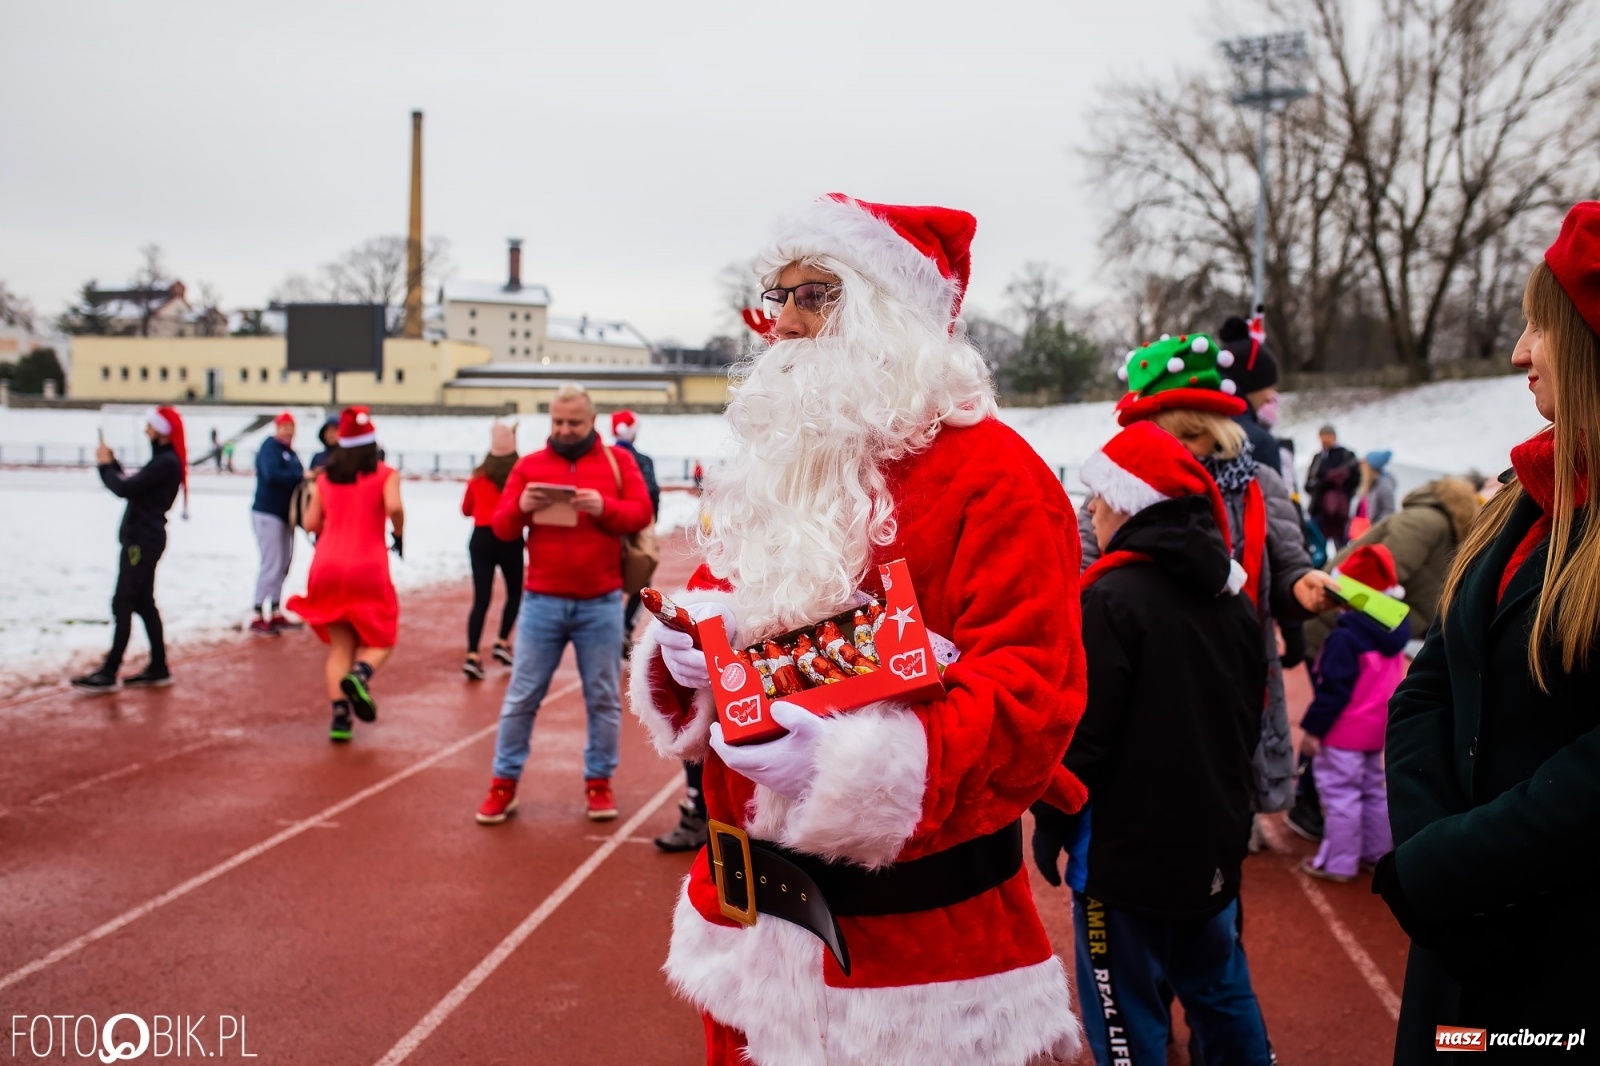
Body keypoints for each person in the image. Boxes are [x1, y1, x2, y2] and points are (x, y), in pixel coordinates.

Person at [630, 194, 1088, 1066]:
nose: (785, 325)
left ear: (889, 313)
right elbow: (715, 591)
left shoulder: (1000, 480)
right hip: (748, 922)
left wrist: (858, 772)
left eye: (816, 296)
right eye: (779, 296)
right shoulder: (787, 461)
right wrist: (690, 645)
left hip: (917, 962)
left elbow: (1035, 697)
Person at [1378, 201, 1600, 1060]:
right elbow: (1432, 678)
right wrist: (1431, 855)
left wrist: (1450, 869)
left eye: (1540, 328)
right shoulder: (1525, 492)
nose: (1518, 354)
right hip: (1460, 947)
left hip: (1562, 964)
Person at [1034, 421, 1271, 1066]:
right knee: (1221, 991)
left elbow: (1084, 736)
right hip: (1212, 843)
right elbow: (1251, 714)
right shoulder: (1233, 598)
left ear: (1130, 502)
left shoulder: (1110, 599)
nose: (1090, 508)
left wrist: (1052, 819)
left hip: (1124, 855)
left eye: (1099, 495)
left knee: (1125, 1015)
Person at [1085, 334, 1337, 827]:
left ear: (1216, 431)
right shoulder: (1119, 485)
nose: (1177, 452)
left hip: (1233, 673)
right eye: (1162, 438)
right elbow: (1083, 570)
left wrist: (1302, 588)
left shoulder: (1259, 483)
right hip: (1144, 676)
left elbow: (1287, 565)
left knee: (1221, 807)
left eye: (1190, 438)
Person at [475, 384, 652, 824]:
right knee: (522, 696)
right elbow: (500, 528)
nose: (565, 429)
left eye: (573, 422)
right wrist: (519, 505)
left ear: (592, 421)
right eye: (557, 422)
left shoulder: (618, 461)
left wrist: (602, 506)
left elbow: (641, 513)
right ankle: (503, 783)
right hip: (542, 602)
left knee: (603, 697)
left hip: (601, 602)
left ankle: (599, 782)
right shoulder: (530, 465)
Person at [286, 407, 403, 742]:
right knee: (382, 636)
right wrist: (399, 532)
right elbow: (394, 507)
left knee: (340, 646)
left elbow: (310, 523)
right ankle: (361, 674)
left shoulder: (324, 479)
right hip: (367, 564)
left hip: (327, 565)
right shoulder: (385, 475)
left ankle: (340, 717)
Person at [1297, 545, 1409, 884]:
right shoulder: (1396, 632)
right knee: (1374, 790)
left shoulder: (1345, 639)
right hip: (1377, 730)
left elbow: (1333, 692)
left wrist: (1313, 731)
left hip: (1344, 733)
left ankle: (1339, 863)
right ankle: (1375, 856)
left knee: (1340, 796)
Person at [72, 407, 187, 693]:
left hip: (141, 541)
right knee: (144, 603)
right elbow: (134, 486)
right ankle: (158, 666)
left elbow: (126, 489)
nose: (146, 431)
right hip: (146, 538)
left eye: (150, 426)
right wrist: (113, 464)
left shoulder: (165, 462)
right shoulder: (165, 461)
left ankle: (110, 671)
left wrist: (105, 467)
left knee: (123, 601)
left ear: (161, 431)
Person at [460, 422, 523, 679]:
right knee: (514, 593)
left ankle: (472, 655)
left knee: (481, 599)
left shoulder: (478, 475)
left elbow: (465, 509)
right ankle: (501, 641)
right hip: (509, 537)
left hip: (481, 538)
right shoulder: (518, 475)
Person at [250, 411, 304, 635]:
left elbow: (298, 472)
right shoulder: (269, 448)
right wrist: (297, 475)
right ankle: (257, 611)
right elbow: (273, 474)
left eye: (291, 426)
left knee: (284, 562)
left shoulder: (290, 453)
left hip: (285, 516)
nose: (288, 431)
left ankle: (274, 607)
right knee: (271, 562)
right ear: (277, 428)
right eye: (284, 426)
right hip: (268, 513)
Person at [611, 409, 660, 654]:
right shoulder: (642, 461)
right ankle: (625, 627)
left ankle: (607, 629)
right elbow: (652, 495)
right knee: (643, 581)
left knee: (607, 582)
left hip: (608, 529)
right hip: (636, 529)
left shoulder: (604, 458)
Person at [1217, 315, 1283, 478]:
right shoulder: (1260, 442)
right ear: (1248, 384)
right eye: (1267, 387)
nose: (1270, 397)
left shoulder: (1197, 425)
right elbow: (1273, 502)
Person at [1305, 424, 1360, 549]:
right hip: (1318, 509)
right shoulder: (1318, 458)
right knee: (1317, 545)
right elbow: (1308, 484)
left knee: (1342, 547)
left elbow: (1354, 481)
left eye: (1327, 436)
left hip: (1339, 511)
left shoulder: (1346, 456)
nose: (1324, 440)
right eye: (1321, 437)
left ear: (1334, 436)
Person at [1353, 449, 1397, 536]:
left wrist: (1375, 529)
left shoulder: (1384, 485)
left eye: (1364, 463)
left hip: (1371, 534)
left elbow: (1389, 511)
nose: (1361, 465)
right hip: (1359, 533)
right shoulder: (1367, 484)